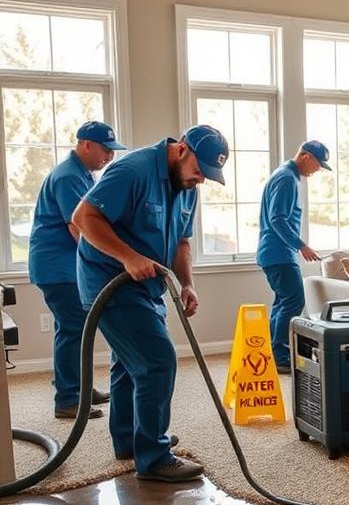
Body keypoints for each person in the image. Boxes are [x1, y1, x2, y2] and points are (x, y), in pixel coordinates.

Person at [72, 124, 229, 483]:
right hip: (110, 283)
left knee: (131, 363)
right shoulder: (133, 170)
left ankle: (130, 440)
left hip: (148, 286)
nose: (201, 179)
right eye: (199, 170)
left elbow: (182, 242)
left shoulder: (188, 187)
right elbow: (84, 218)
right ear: (181, 149)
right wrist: (128, 257)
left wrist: (187, 283)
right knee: (158, 360)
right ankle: (154, 457)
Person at [28, 121, 127, 420]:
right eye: (105, 150)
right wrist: (110, 261)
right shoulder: (69, 176)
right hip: (58, 267)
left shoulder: (80, 174)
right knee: (74, 329)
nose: (109, 157)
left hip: (61, 265)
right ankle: (68, 399)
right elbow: (79, 228)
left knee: (71, 329)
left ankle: (77, 388)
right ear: (85, 144)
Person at [256, 141, 330, 374]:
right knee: (294, 300)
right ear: (306, 156)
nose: (317, 170)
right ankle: (280, 356)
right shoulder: (287, 179)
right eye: (318, 164)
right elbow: (277, 218)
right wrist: (301, 246)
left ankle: (274, 352)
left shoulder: (285, 175)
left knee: (283, 302)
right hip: (279, 253)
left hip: (274, 253)